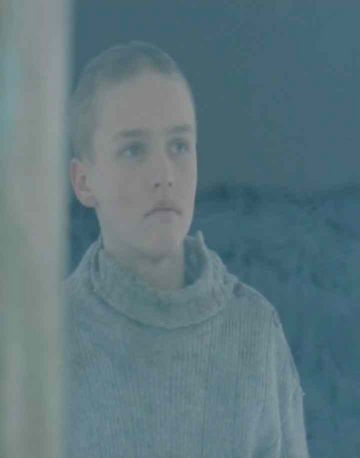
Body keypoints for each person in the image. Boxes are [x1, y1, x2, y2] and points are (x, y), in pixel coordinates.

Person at [64, 41, 310, 457]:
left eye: (179, 146)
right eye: (133, 150)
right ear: (85, 181)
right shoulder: (43, 345)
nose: (164, 174)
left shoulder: (254, 332)